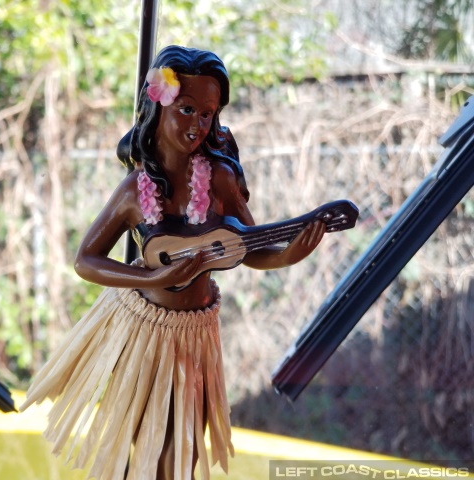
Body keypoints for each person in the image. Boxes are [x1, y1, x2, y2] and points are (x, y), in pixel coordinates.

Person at [20, 45, 325, 480]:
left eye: (207, 114)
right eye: (186, 109)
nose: (198, 125)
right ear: (156, 106)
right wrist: (154, 275)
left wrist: (289, 254)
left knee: (184, 451)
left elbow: (252, 246)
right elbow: (85, 260)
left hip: (196, 332)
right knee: (133, 440)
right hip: (142, 328)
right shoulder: (134, 191)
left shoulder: (219, 179)